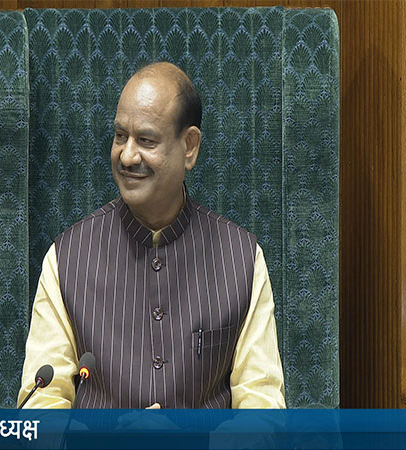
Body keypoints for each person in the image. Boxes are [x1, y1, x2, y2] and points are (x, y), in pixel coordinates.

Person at [17, 62, 285, 409]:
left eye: (146, 140)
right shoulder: (66, 258)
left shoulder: (242, 259)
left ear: (189, 146)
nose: (128, 156)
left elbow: (261, 404)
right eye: (120, 136)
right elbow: (42, 403)